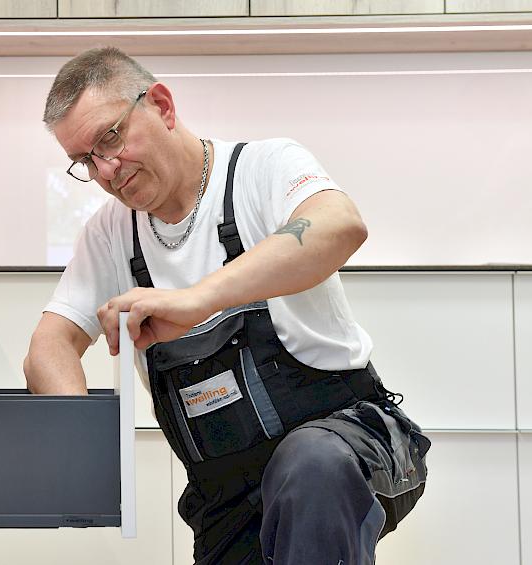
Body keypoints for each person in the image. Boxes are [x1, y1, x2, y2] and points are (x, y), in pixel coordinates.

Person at [24, 46, 430, 565]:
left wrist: (198, 299)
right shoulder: (109, 234)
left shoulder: (263, 168)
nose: (106, 170)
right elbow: (48, 345)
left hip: (348, 443)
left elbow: (339, 225)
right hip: (228, 500)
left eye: (111, 137)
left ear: (163, 106)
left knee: (310, 468)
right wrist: (81, 436)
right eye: (85, 160)